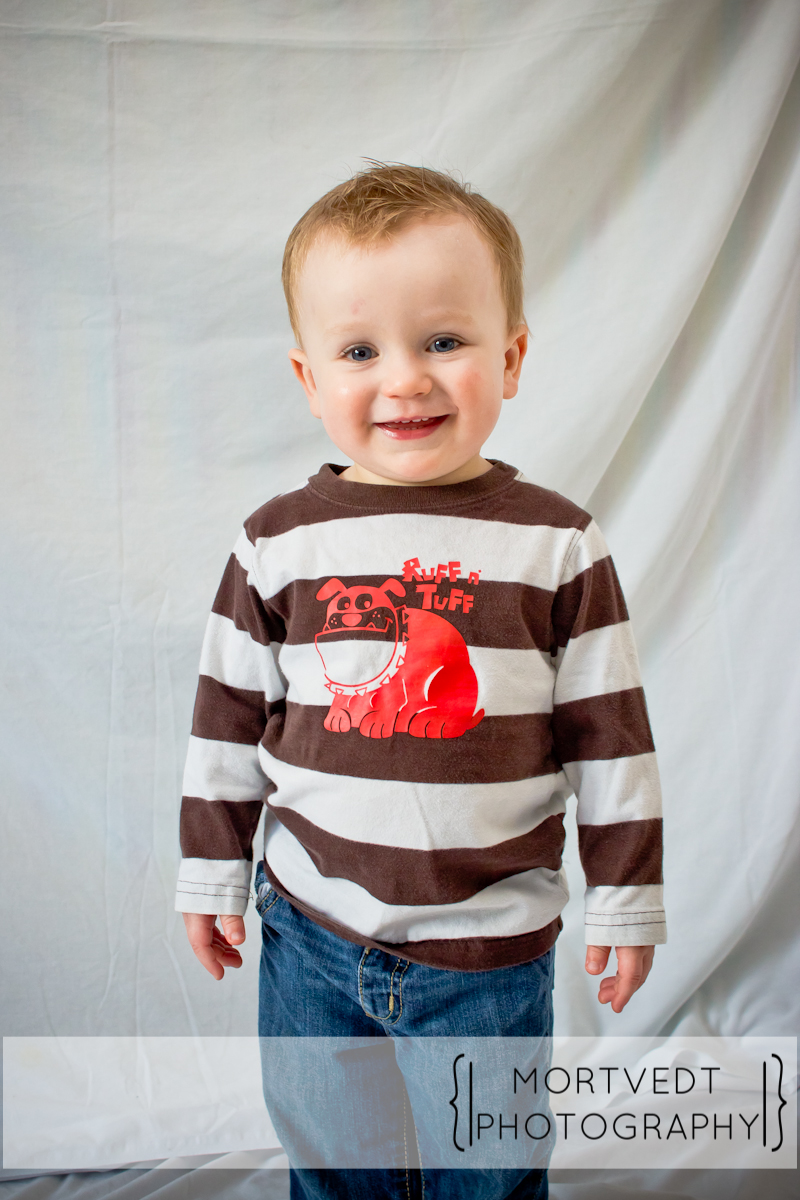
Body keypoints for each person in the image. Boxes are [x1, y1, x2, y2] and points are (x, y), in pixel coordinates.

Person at [175, 163, 666, 1198]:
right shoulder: (276, 544)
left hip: (487, 955)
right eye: (360, 351)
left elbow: (611, 743)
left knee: (487, 1177)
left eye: (443, 341)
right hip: (308, 934)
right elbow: (226, 725)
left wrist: (626, 900)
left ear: (511, 357)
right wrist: (211, 873)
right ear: (309, 379)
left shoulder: (557, 547)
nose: (404, 380)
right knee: (334, 1174)